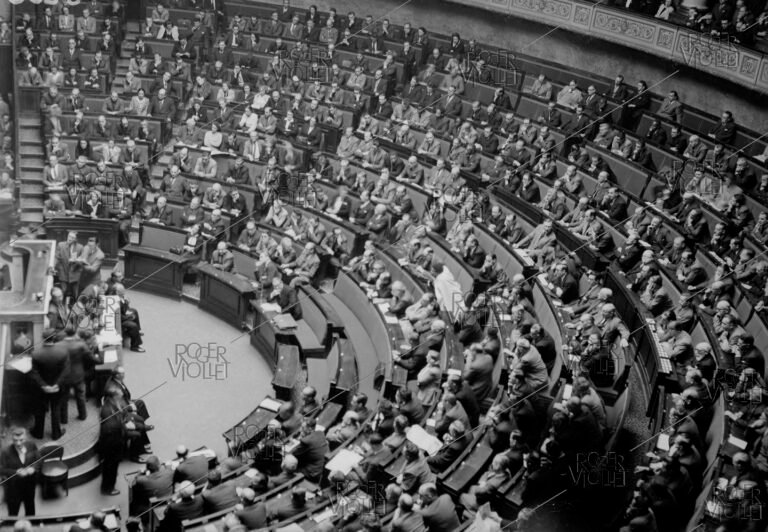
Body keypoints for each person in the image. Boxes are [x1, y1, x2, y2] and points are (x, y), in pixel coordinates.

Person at [30, 329, 69, 440]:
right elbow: (65, 371)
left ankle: (38, 433)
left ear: (43, 339)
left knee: (40, 410)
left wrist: (44, 386)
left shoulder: (36, 353)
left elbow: (34, 373)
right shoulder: (63, 352)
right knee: (55, 409)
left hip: (42, 390)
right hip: (57, 388)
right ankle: (56, 434)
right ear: (54, 338)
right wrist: (57, 384)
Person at [0, 427, 39, 516]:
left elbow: (39, 460)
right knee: (13, 513)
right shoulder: (6, 452)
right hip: (13, 490)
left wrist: (33, 468)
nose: (18, 443)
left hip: (29, 487)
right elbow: (1, 470)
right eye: (15, 440)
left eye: (21, 440)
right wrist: (15, 472)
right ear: (12, 439)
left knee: (30, 510)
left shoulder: (31, 445)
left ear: (26, 438)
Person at [98, 388, 127, 496]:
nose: (121, 397)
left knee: (111, 467)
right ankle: (108, 489)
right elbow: (110, 428)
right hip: (111, 445)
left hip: (114, 441)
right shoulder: (107, 410)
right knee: (110, 467)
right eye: (119, 395)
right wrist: (123, 427)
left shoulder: (112, 404)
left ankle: (109, 483)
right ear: (113, 397)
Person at [130, 456, 174, 522]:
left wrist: (139, 473)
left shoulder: (141, 480)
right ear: (159, 466)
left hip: (149, 507)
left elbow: (132, 485)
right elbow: (169, 468)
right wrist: (167, 465)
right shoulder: (169, 473)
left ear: (147, 468)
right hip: (167, 503)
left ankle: (133, 517)